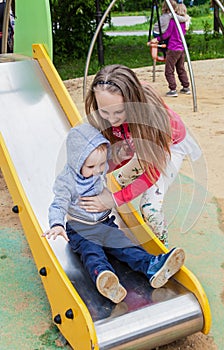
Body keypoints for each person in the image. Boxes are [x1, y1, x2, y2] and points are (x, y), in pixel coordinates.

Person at [43, 122, 185, 304]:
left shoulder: (98, 167)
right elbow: (58, 204)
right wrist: (56, 224)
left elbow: (111, 161)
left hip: (105, 223)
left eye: (101, 165)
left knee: (126, 246)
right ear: (76, 161)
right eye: (91, 167)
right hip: (80, 229)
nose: (98, 171)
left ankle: (151, 266)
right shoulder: (67, 181)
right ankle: (105, 278)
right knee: (92, 253)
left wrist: (121, 155)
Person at [83, 64, 201, 247]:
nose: (111, 119)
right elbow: (115, 153)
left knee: (150, 209)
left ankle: (163, 248)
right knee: (120, 177)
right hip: (139, 140)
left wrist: (114, 199)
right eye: (104, 112)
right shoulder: (116, 111)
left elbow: (151, 172)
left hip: (168, 147)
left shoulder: (153, 120)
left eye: (118, 112)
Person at [152, 0, 191, 97]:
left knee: (169, 70)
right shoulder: (184, 23)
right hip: (181, 48)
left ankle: (173, 89)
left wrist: (157, 39)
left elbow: (167, 34)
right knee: (181, 68)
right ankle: (186, 87)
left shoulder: (173, 21)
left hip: (173, 48)